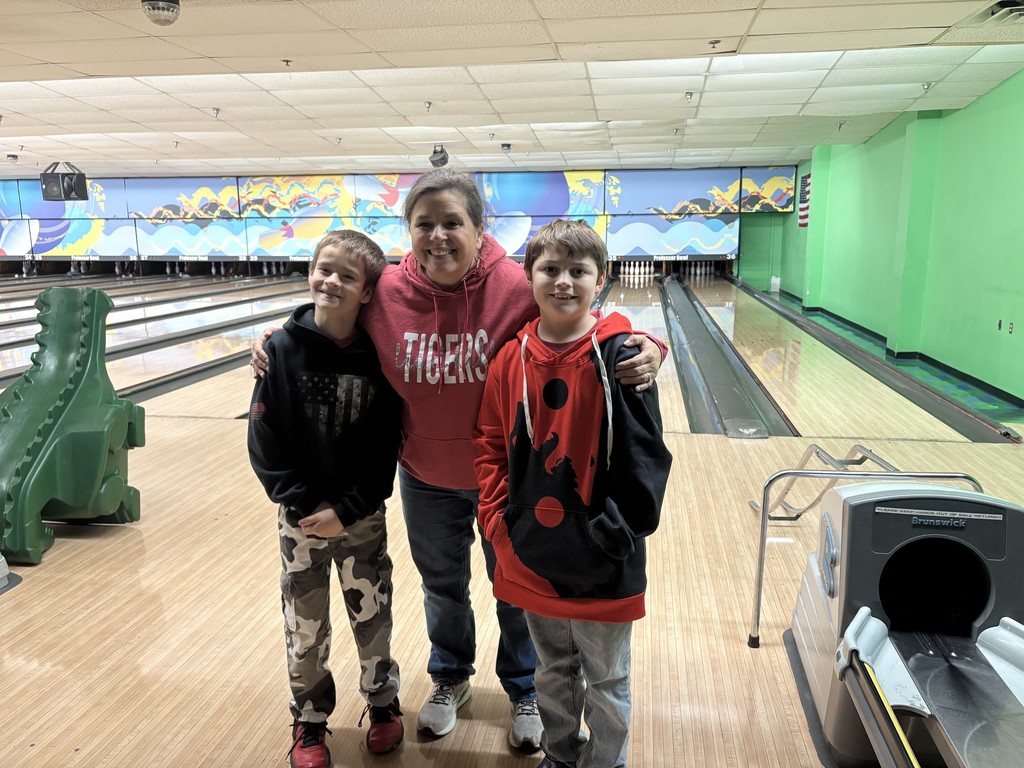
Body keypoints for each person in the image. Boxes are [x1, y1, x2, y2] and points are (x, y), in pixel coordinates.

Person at [252, 169, 665, 752]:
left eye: (453, 223)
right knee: (442, 585)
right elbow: (330, 314)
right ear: (409, 231)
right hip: (423, 474)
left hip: (511, 478)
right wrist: (277, 334)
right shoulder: (389, 294)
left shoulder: (516, 289)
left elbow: (577, 319)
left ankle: (523, 686)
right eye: (425, 224)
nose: (439, 235)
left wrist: (647, 341)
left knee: (513, 585)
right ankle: (449, 677)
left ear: (479, 229)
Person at [473, 219, 673, 768]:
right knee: (551, 671)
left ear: (602, 279)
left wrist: (618, 532)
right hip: (533, 550)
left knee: (608, 679)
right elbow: (490, 443)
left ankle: (605, 762)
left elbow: (647, 459)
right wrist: (498, 522)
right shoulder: (509, 361)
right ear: (529, 278)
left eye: (578, 271)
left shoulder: (622, 359)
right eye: (550, 269)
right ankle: (560, 756)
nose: (564, 282)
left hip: (606, 554)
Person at [248, 230, 405, 768]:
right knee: (305, 622)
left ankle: (383, 705)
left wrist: (348, 508)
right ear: (310, 271)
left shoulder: (379, 356)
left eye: (347, 275)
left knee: (373, 615)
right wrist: (297, 502)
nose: (331, 280)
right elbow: (264, 441)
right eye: (323, 268)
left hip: (360, 514)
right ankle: (310, 720)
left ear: (367, 292)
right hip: (299, 519)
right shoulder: (279, 350)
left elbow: (387, 448)